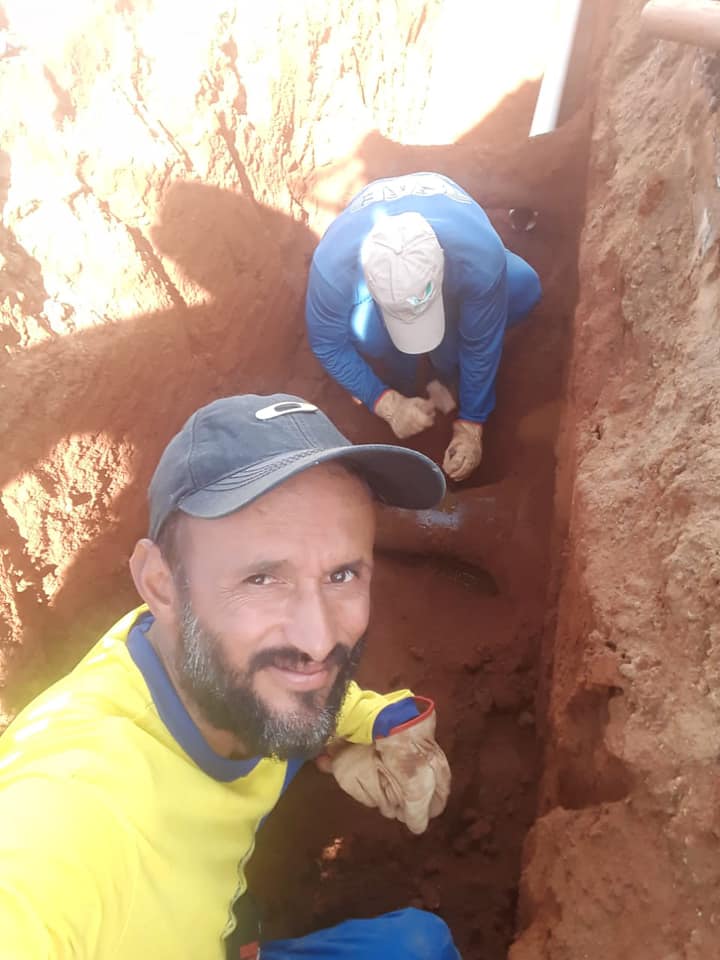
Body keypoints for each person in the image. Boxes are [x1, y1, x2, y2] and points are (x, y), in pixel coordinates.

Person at [0, 393, 459, 960]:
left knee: (423, 945)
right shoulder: (73, 812)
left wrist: (368, 725)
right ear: (162, 584)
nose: (318, 640)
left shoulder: (195, 653)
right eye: (262, 579)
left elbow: (312, 695)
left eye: (342, 573)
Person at [306, 172, 542, 481]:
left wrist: (471, 424)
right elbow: (327, 343)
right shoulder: (333, 269)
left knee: (524, 287)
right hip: (375, 267)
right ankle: (403, 379)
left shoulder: (480, 256)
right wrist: (388, 404)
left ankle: (447, 372)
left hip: (458, 254)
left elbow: (480, 343)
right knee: (369, 336)